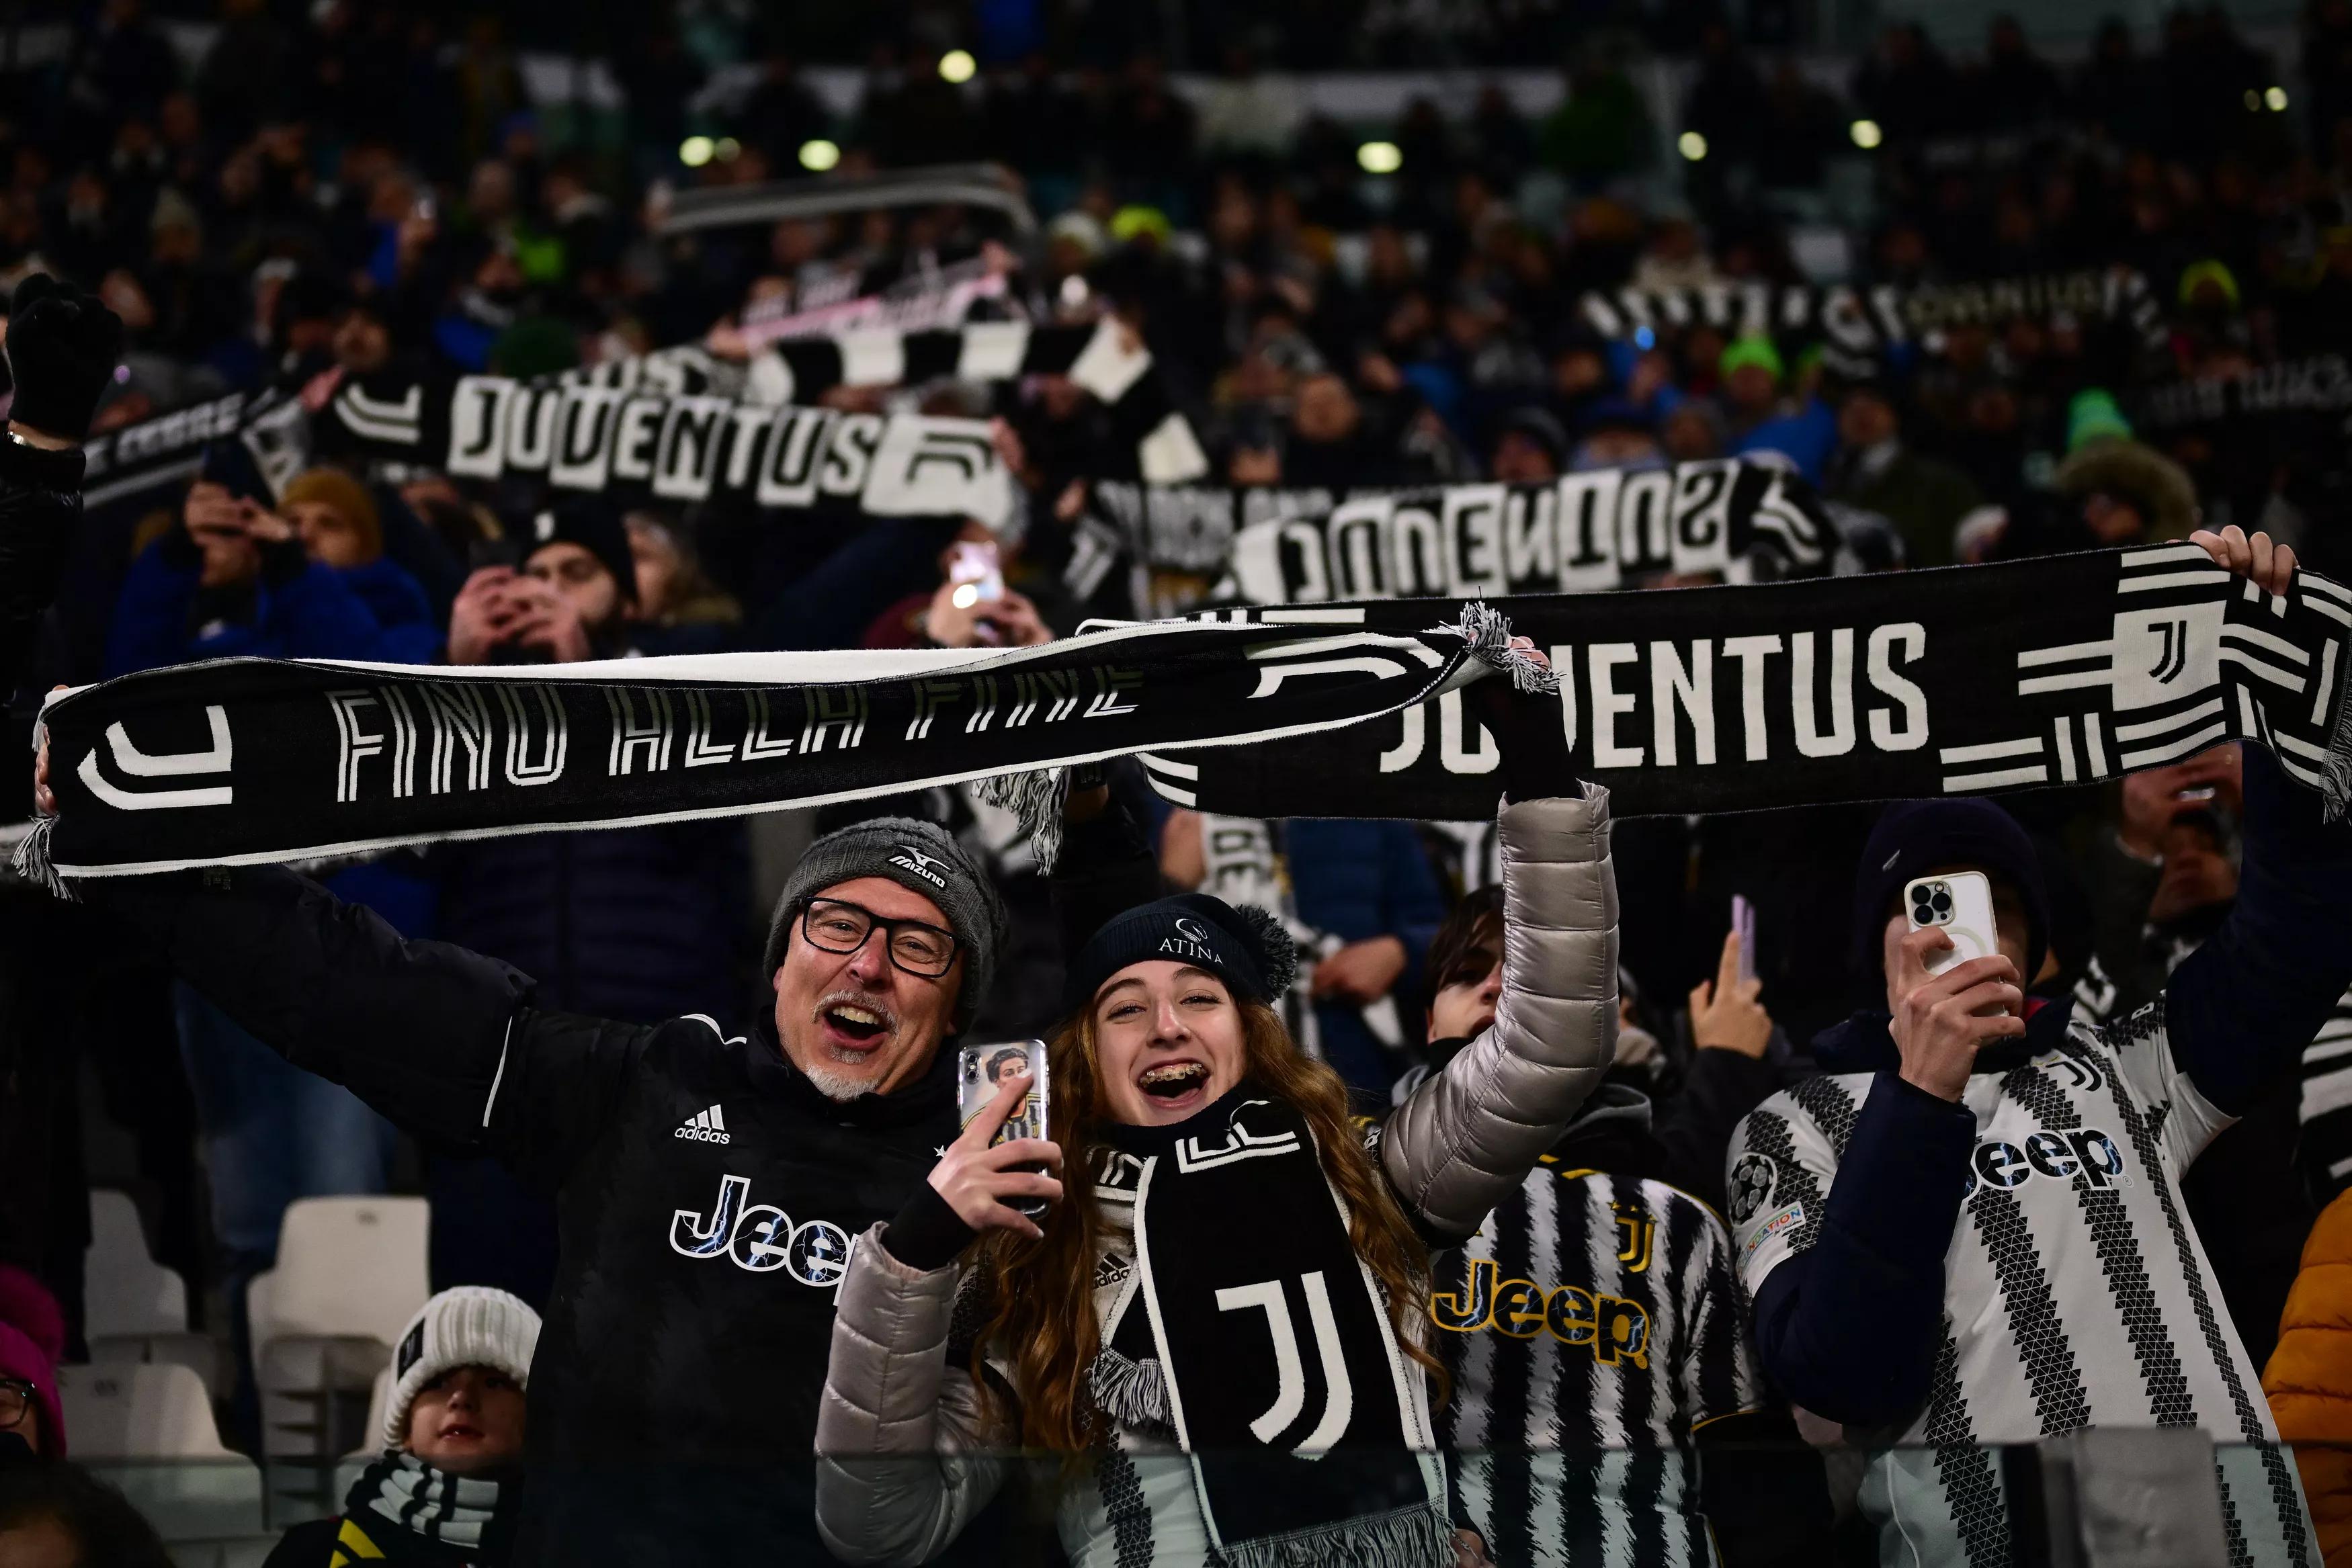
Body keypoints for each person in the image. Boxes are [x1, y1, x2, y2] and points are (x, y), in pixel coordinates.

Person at [35, 662, 1012, 1568]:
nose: (868, 963)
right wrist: (143, 844)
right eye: (836, 923)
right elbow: (353, 991)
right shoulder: (652, 1081)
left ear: (959, 1003)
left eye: (920, 944)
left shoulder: (990, 1178)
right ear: (783, 955)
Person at [812, 650, 1621, 1567]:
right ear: (1085, 1058)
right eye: (1126, 1008)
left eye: (1201, 998)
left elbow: (1556, 1042)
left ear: (1252, 1036)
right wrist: (915, 1251)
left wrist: (1537, 759)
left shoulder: (1367, 1171)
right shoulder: (1035, 1257)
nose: (1166, 1026)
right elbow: (878, 1526)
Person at [1724, 527, 2337, 1566]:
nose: (1965, 933)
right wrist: (1919, 1095)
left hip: (2229, 1535)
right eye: (1927, 908)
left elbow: (2301, 940)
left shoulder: (2114, 1063)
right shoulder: (1788, 1127)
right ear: (1876, 948)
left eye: (1999, 911)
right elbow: (1843, 1371)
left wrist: (2274, 698)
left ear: (2036, 952)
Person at [1411, 894, 1830, 1567]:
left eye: (1531, 971)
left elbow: (1759, 1488)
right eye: (1467, 974)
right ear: (1429, 1024)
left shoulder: (1681, 1219)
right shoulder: (1352, 1186)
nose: (1497, 985)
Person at [267, 1287, 538, 1567]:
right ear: (405, 1427)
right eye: (437, 1384)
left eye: (493, 1383)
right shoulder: (314, 1554)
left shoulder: (577, 1550)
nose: (461, 1399)